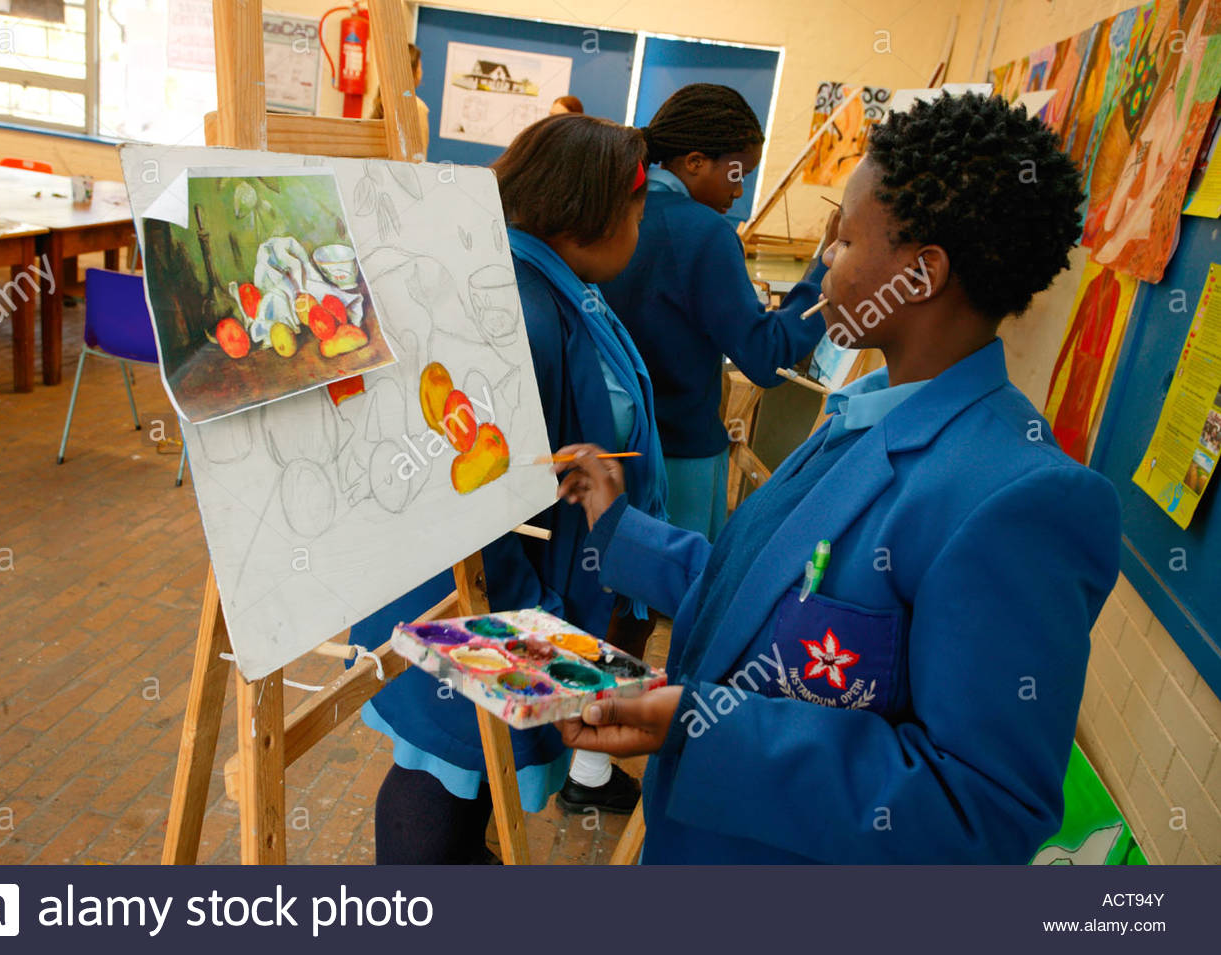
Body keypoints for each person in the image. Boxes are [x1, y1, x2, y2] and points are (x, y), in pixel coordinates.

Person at [551, 92, 1122, 863]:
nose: (825, 261)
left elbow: (980, 809)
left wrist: (705, 726)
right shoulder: (866, 416)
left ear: (921, 274)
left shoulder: (1019, 500)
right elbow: (762, 595)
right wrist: (618, 525)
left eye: (844, 239)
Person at [361, 113, 668, 862]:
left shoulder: (545, 284)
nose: (640, 230)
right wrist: (533, 627)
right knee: (447, 768)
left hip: (517, 592)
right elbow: (471, 500)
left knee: (463, 780)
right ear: (594, 214)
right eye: (637, 214)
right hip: (491, 599)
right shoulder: (518, 310)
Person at [599, 83, 830, 540]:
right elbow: (766, 357)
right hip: (681, 462)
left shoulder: (613, 210)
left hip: (608, 451)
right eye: (737, 174)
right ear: (694, 162)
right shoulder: (704, 231)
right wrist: (827, 268)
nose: (739, 192)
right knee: (680, 576)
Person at [371, 43, 431, 151]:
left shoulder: (385, 98)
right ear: (414, 71)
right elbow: (418, 155)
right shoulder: (417, 107)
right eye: (420, 66)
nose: (421, 71)